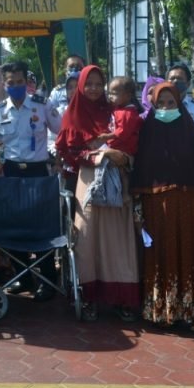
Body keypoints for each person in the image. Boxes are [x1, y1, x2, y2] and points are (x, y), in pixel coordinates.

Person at [56, 66, 139, 318]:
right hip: (88, 178)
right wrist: (97, 155)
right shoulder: (73, 115)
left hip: (118, 175)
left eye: (97, 83)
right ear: (80, 85)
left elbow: (131, 140)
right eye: (88, 83)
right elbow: (67, 151)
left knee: (118, 239)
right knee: (87, 236)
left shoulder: (113, 110)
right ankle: (87, 296)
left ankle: (122, 297)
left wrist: (123, 157)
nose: (93, 88)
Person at [129, 81, 194, 330]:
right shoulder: (147, 136)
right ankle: (162, 311)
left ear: (180, 103)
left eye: (171, 103)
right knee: (160, 259)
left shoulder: (191, 135)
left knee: (191, 257)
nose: (166, 108)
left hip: (190, 209)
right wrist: (138, 213)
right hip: (156, 211)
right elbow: (139, 179)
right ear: (152, 105)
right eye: (160, 104)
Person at [0, 60, 62, 302]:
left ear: (26, 82)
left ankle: (48, 279)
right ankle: (23, 276)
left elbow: (62, 131)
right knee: (12, 222)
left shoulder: (42, 106)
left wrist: (58, 158)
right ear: (4, 85)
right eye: (11, 83)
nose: (16, 86)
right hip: (11, 172)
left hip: (38, 171)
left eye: (20, 82)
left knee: (42, 225)